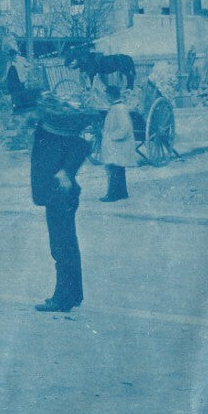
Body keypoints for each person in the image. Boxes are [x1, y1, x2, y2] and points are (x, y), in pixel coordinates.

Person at [31, 89, 93, 313]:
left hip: (59, 196)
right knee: (68, 246)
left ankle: (62, 299)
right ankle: (74, 294)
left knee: (61, 248)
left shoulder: (53, 135)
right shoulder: (53, 135)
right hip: (58, 196)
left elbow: (84, 146)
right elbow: (83, 145)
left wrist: (67, 171)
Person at [99, 84, 135, 202]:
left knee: (114, 168)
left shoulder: (119, 108)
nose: (105, 97)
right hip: (116, 145)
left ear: (110, 95)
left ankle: (112, 194)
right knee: (118, 169)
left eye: (106, 95)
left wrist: (111, 137)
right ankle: (122, 192)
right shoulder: (117, 107)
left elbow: (124, 128)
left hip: (117, 145)